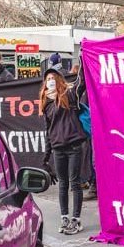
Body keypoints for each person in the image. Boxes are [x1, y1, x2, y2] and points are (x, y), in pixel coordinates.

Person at [41, 60, 87, 235]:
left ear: (59, 80)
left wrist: (83, 57)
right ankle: (65, 218)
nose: (50, 80)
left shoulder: (69, 95)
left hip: (74, 146)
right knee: (62, 184)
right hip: (58, 149)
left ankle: (76, 220)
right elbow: (48, 130)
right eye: (48, 78)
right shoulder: (46, 103)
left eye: (53, 77)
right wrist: (45, 158)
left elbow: (80, 82)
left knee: (75, 184)